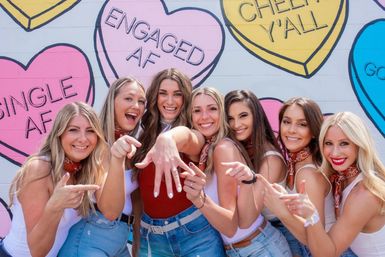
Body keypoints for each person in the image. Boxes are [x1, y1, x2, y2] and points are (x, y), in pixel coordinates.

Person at [144, 87, 290, 257]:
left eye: (212, 109)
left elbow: (232, 226)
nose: (204, 116)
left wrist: (200, 200)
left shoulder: (223, 148)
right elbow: (187, 136)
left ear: (221, 112)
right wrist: (167, 138)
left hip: (259, 248)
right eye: (197, 110)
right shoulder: (209, 148)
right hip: (241, 249)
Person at [131, 70, 225, 256]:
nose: (170, 101)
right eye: (163, 93)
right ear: (155, 96)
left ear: (186, 98)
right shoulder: (142, 134)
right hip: (152, 236)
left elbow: (188, 138)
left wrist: (168, 139)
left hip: (195, 233)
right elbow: (139, 196)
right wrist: (137, 237)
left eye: (177, 94)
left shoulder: (193, 132)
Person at [0, 102, 105, 257]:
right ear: (59, 134)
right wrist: (54, 207)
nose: (83, 139)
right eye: (73, 130)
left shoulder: (82, 170)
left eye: (90, 131)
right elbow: (37, 251)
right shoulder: (39, 168)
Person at [58, 77, 145, 257]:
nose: (136, 105)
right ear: (112, 101)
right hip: (91, 238)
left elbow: (136, 201)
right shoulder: (98, 143)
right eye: (129, 98)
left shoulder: (132, 145)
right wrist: (116, 158)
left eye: (141, 101)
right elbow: (110, 211)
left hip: (119, 240)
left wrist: (137, 242)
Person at [280, 112, 385, 257]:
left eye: (344, 143)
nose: (335, 153)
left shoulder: (364, 194)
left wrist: (311, 214)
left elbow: (326, 254)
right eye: (328, 143)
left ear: (359, 144)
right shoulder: (339, 178)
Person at [222, 90, 291, 256]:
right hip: (260, 236)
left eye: (243, 115)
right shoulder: (243, 149)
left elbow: (247, 219)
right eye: (230, 118)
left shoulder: (270, 159)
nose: (236, 124)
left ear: (256, 116)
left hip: (282, 234)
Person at [260, 97, 332, 257]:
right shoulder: (294, 164)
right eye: (286, 122)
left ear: (313, 131)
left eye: (302, 124)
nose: (291, 130)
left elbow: (315, 240)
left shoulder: (308, 174)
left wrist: (281, 211)